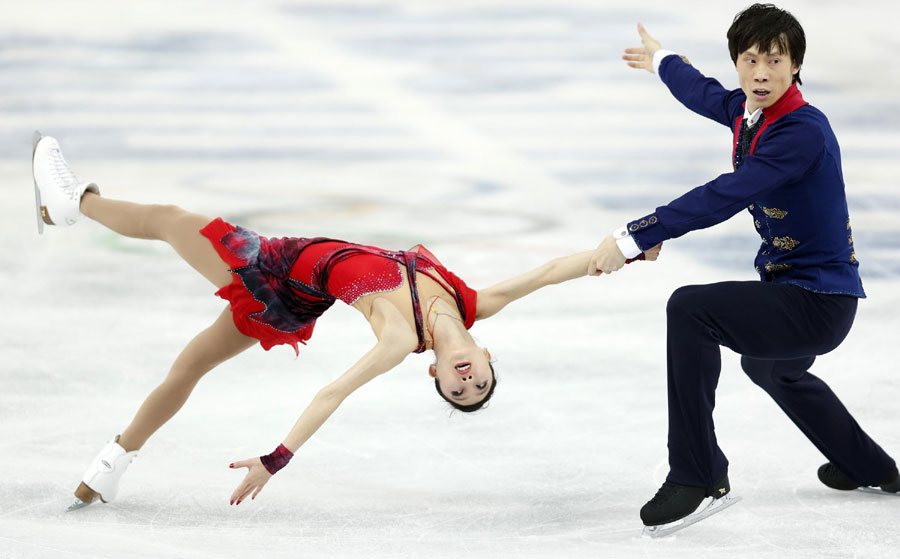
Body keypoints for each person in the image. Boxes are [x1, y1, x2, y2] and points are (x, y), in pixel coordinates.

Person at [31, 132, 661, 510]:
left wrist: (275, 460)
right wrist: (628, 247)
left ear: (435, 375)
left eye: (457, 390)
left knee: (171, 220)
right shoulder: (474, 303)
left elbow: (331, 391)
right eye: (479, 384)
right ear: (488, 358)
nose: (467, 382)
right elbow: (553, 270)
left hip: (275, 274)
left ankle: (72, 202)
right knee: (189, 367)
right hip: (294, 287)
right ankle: (106, 471)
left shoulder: (400, 339)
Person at [588, 3, 899, 535]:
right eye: (749, 59)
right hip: (799, 292)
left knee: (691, 309)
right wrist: (663, 59)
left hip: (816, 302)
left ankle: (697, 473)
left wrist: (638, 235)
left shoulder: (800, 132)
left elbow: (725, 195)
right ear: (737, 61)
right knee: (770, 365)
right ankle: (872, 467)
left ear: (796, 64)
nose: (760, 72)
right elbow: (704, 92)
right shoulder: (751, 111)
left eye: (774, 60)